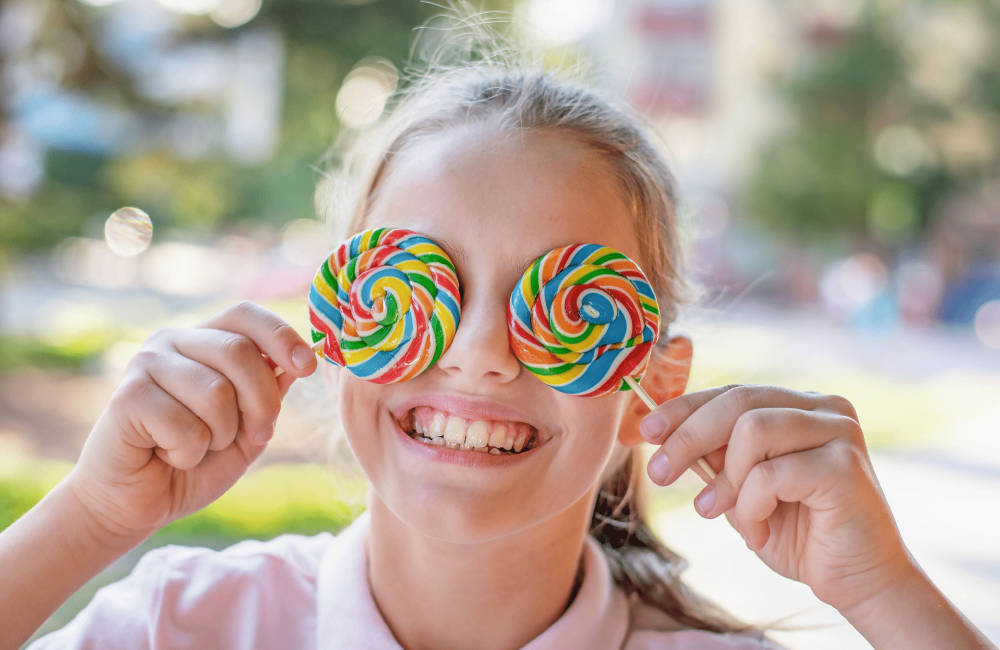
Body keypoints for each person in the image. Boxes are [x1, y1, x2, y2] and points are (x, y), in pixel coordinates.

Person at [1, 23, 995, 650]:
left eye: (555, 303)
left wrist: (884, 591)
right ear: (346, 319)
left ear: (646, 377)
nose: (481, 353)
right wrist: (87, 517)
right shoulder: (187, 623)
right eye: (425, 281)